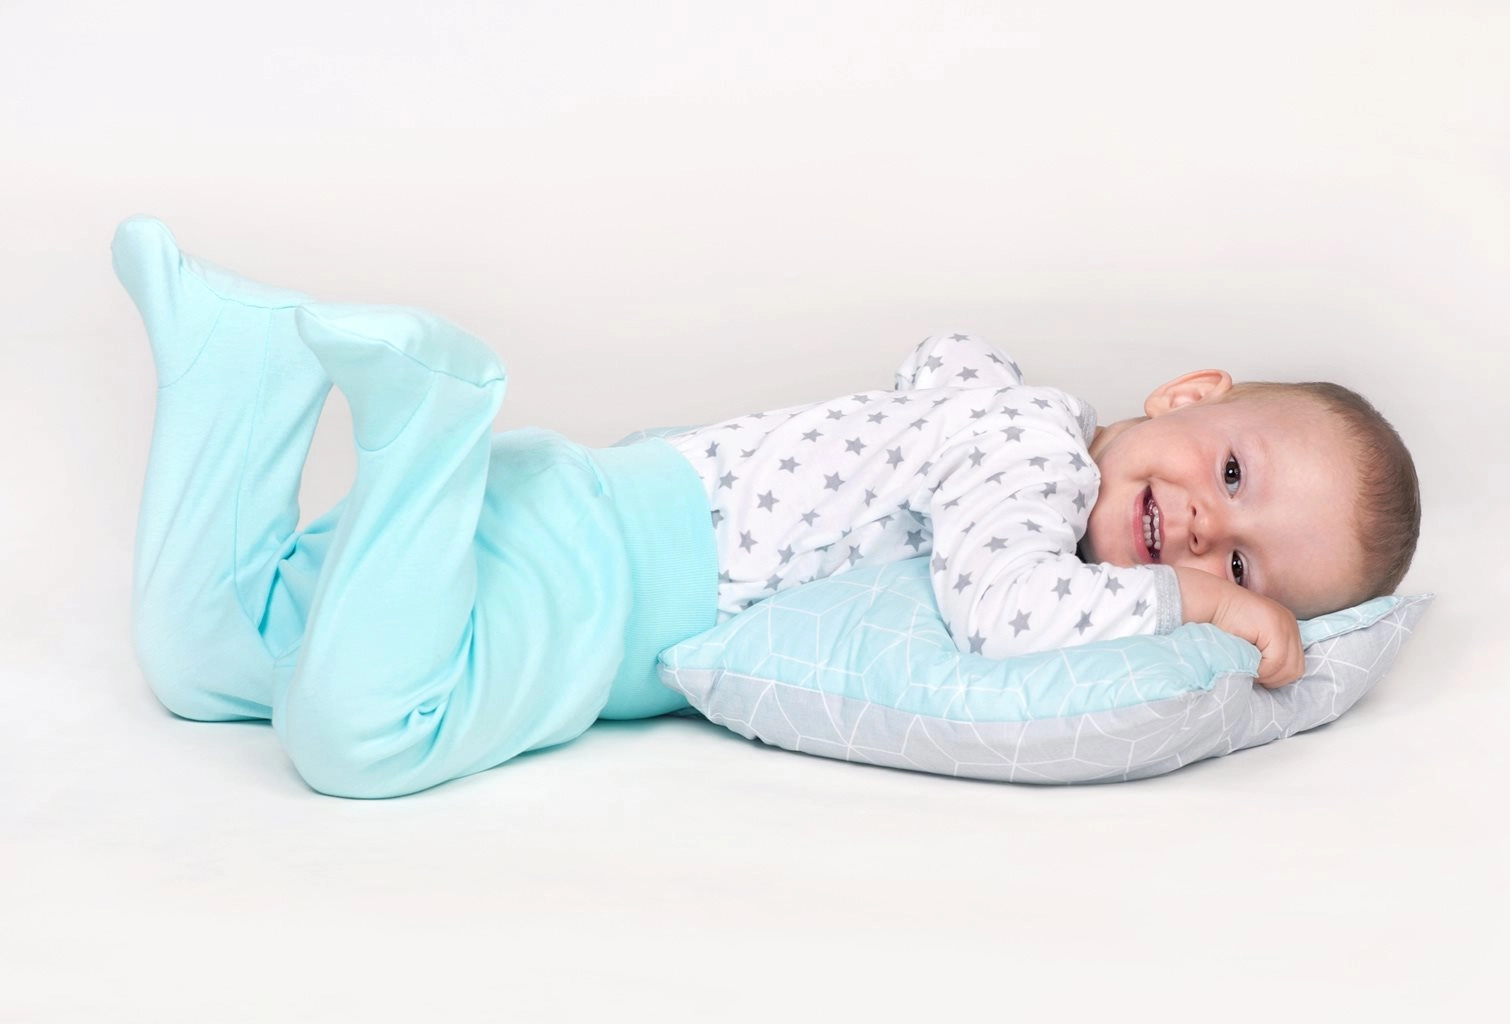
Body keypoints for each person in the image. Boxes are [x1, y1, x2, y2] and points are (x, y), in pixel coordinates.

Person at [114, 217, 1419, 799]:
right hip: (604, 579)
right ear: (1189, 394)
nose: (1206, 533)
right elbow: (1011, 614)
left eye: (1246, 568)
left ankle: (241, 369)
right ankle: (428, 423)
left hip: (582, 490)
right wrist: (1196, 609)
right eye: (1231, 477)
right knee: (360, 742)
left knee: (211, 657)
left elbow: (943, 354)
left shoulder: (1006, 410)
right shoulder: (1036, 474)